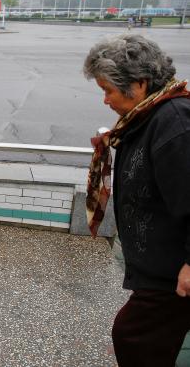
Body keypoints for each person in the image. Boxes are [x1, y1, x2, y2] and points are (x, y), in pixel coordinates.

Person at [83, 34, 190, 366]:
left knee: (134, 335)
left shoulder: (176, 124)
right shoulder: (149, 114)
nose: (105, 100)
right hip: (160, 266)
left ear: (140, 84)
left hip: (174, 273)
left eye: (108, 90)